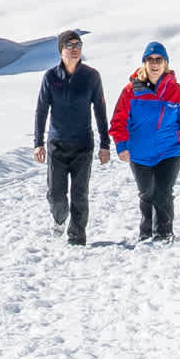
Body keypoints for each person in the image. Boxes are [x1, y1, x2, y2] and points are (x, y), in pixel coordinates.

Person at [109, 44, 180, 244]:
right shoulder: (131, 91)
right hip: (139, 152)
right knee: (146, 193)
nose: (154, 63)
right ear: (145, 63)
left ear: (165, 63)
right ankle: (146, 231)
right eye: (150, 59)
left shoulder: (176, 91)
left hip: (169, 151)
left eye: (159, 59)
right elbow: (119, 121)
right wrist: (121, 145)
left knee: (162, 191)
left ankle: (164, 232)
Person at [34, 34, 108, 245]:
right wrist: (38, 143)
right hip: (57, 144)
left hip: (83, 144)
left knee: (79, 193)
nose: (75, 48)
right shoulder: (51, 77)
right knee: (56, 194)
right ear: (61, 50)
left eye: (78, 45)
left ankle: (77, 237)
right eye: (69, 45)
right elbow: (41, 110)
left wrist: (105, 144)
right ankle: (59, 217)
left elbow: (100, 110)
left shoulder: (91, 76)